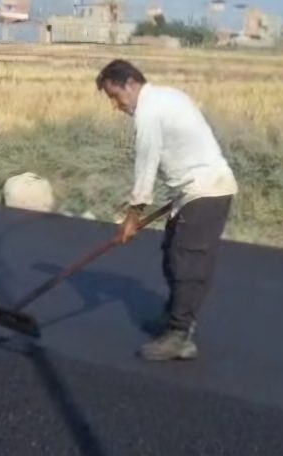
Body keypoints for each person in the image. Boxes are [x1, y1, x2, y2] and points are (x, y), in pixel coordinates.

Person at [95, 59, 237, 361]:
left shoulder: (148, 111)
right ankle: (176, 317)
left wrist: (131, 218)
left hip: (206, 189)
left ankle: (179, 335)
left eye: (115, 96)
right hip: (193, 189)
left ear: (131, 84)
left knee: (187, 262)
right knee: (172, 252)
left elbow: (146, 166)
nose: (116, 105)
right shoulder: (168, 96)